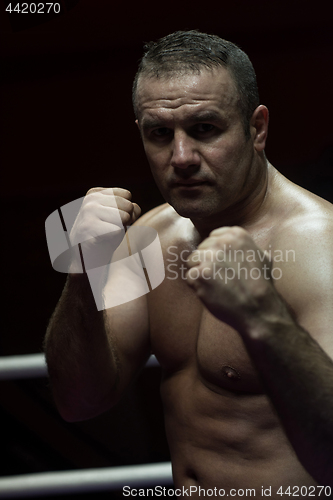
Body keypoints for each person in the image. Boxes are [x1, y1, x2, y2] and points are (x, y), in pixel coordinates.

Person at [44, 30, 333, 497]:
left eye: (204, 129)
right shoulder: (150, 240)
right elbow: (79, 401)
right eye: (160, 134)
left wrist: (263, 319)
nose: (180, 158)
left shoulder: (321, 247)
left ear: (256, 128)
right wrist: (83, 271)